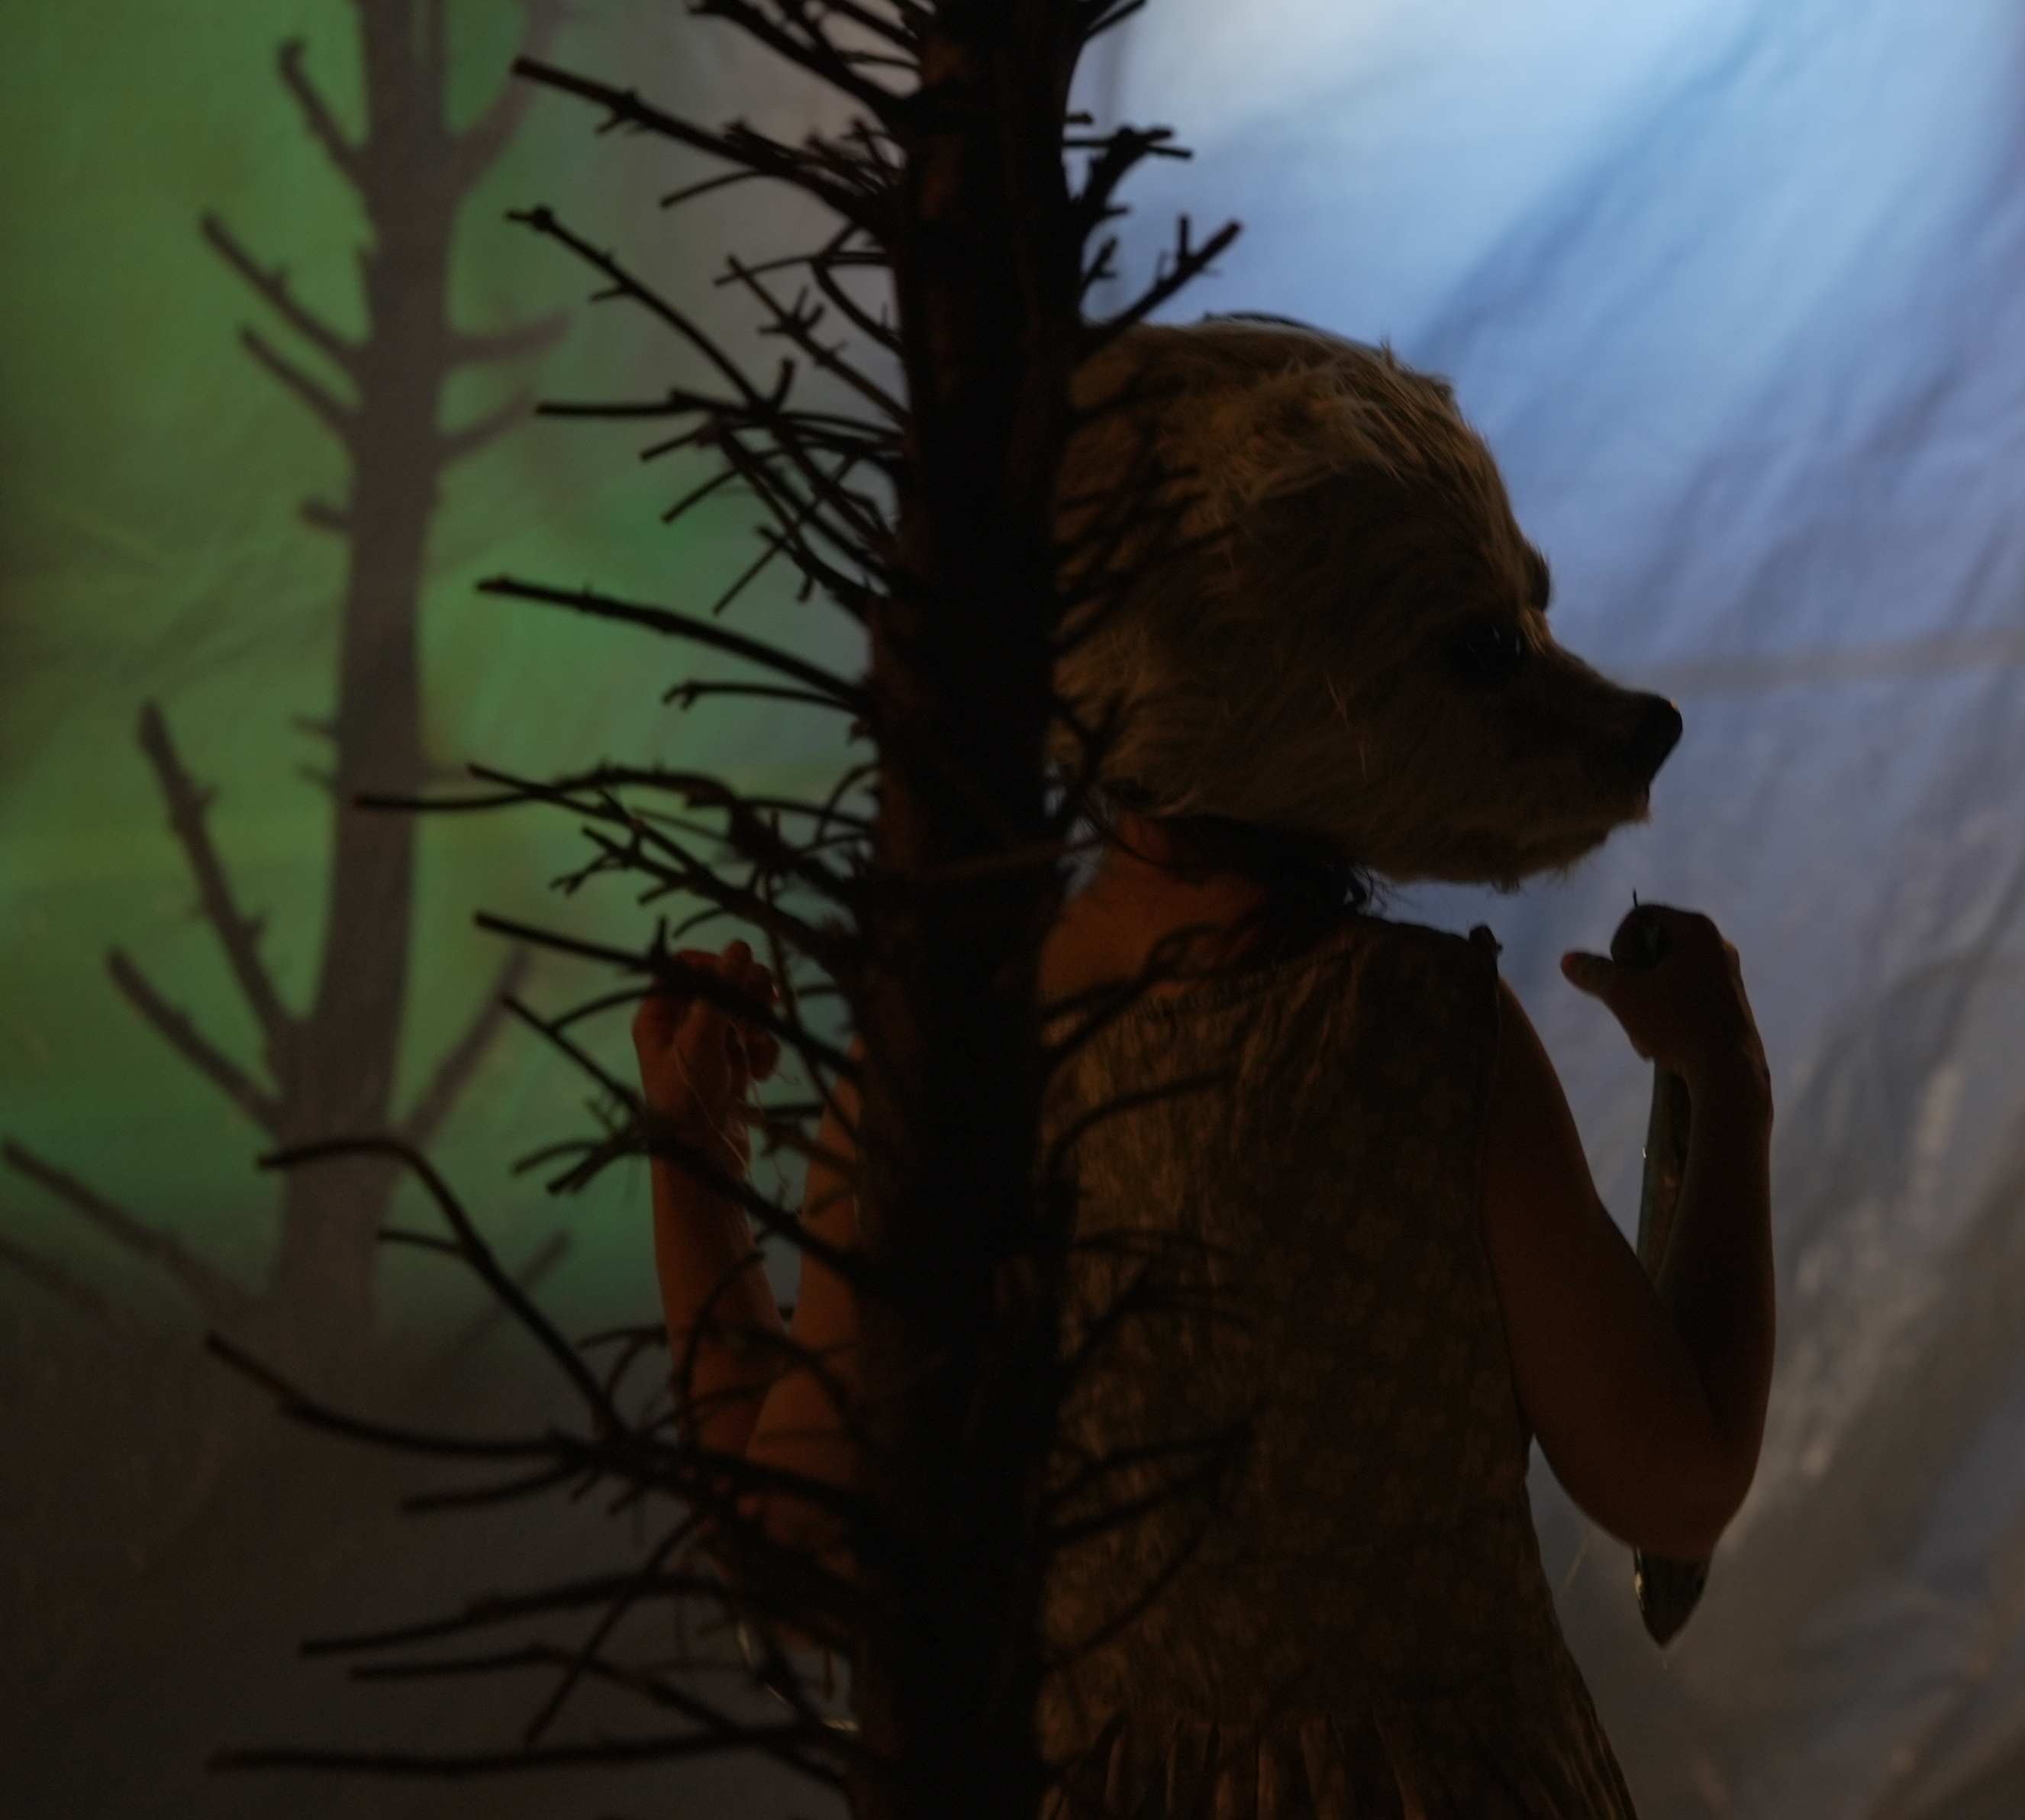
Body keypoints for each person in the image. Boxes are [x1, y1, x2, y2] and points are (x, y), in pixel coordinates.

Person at [634, 324, 1774, 1818]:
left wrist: (693, 1160)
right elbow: (1672, 1483)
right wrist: (1720, 1079)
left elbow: (786, 1552)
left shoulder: (946, 1072)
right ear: (1306, 675)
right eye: (1487, 649)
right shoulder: (1413, 1037)